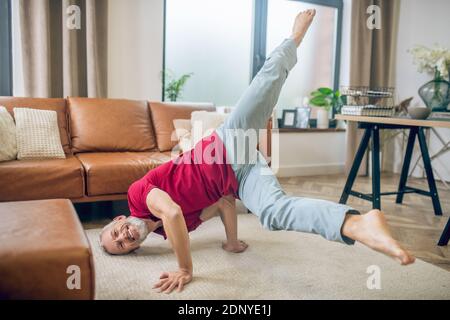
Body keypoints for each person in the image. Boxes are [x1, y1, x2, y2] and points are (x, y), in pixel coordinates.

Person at [100, 9, 415, 294]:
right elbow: (223, 203)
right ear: (135, 248)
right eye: (124, 246)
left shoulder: (138, 197)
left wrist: (184, 268)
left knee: (265, 84)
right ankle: (357, 223)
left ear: (118, 218)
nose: (124, 237)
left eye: (116, 233)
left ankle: (294, 38)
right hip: (242, 175)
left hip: (225, 145)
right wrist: (232, 242)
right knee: (274, 212)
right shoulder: (171, 233)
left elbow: (170, 211)